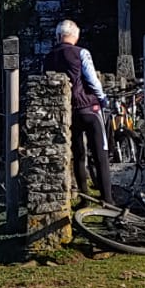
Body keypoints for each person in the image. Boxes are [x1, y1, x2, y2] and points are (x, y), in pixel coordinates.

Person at [42, 19, 112, 207]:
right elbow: (92, 80)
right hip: (89, 108)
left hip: (67, 113)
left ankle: (84, 198)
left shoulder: (48, 57)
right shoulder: (81, 53)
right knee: (100, 154)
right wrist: (103, 99)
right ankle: (108, 201)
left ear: (58, 36)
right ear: (75, 35)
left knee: (78, 155)